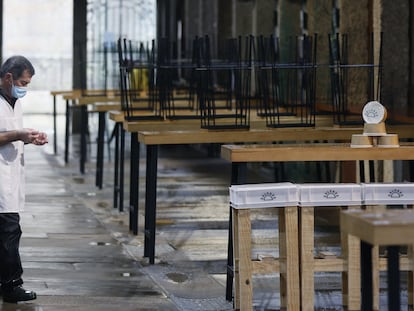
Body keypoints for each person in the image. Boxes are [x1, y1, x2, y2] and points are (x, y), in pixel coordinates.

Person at [0, 55, 48, 303]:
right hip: (1, 180)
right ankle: (10, 286)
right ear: (8, 77)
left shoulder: (13, 100)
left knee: (8, 230)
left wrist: (29, 137)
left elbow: (9, 133)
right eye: (23, 82)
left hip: (11, 176)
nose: (24, 88)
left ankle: (8, 283)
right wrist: (18, 134)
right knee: (9, 231)